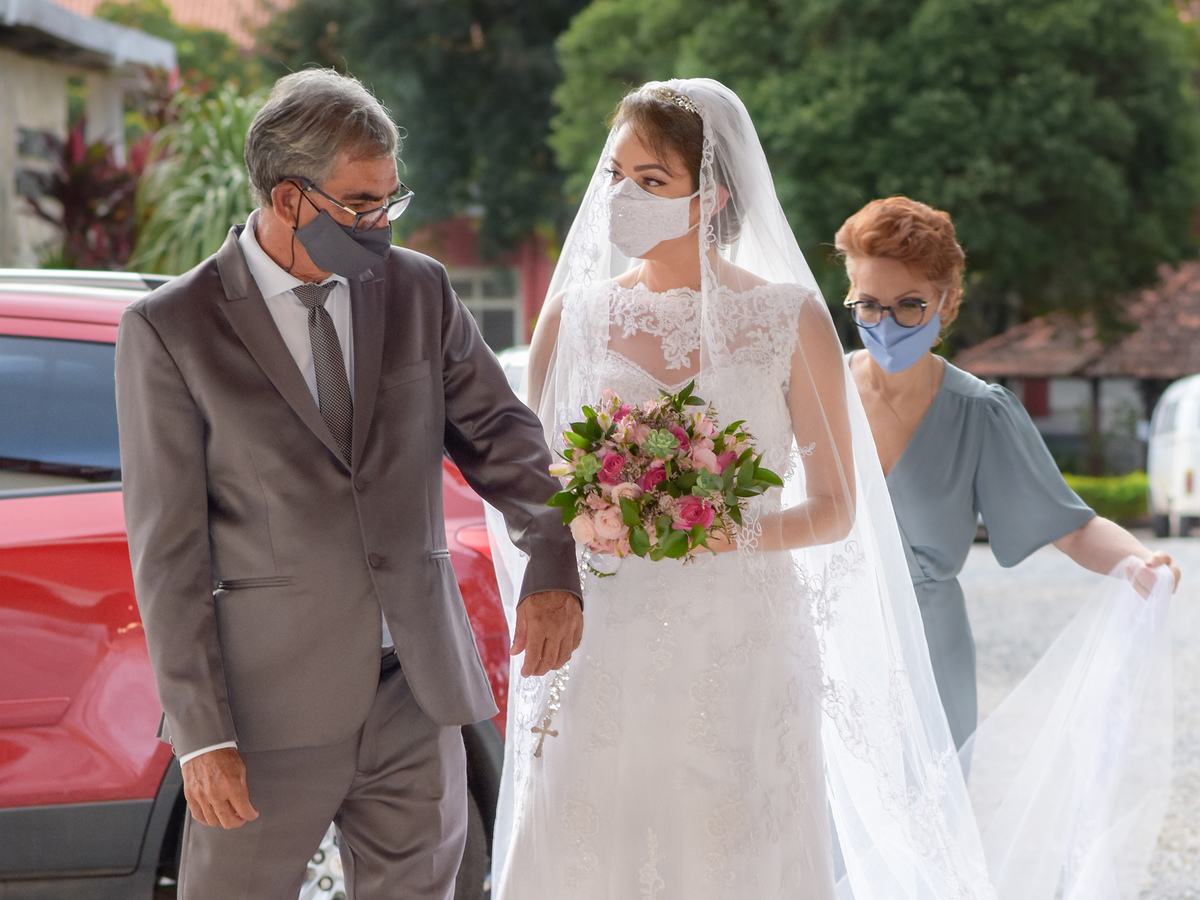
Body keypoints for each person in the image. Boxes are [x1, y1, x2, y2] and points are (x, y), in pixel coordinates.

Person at [488, 77, 1009, 900]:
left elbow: (836, 508)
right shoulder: (573, 318)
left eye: (651, 182)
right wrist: (587, 515)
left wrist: (717, 529)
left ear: (713, 195)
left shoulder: (787, 319)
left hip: (741, 646)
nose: (623, 198)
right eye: (614, 177)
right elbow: (527, 485)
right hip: (604, 640)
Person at [114, 69, 582, 900]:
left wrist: (552, 560)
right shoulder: (170, 329)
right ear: (289, 200)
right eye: (362, 205)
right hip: (265, 712)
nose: (381, 224)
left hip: (418, 692)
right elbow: (168, 550)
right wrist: (199, 736)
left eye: (390, 202)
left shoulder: (419, 289)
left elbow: (505, 437)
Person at [836, 196, 1180, 749]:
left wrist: (1140, 563)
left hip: (931, 654)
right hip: (829, 648)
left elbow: (1070, 525)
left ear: (945, 303)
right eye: (869, 304)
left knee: (929, 825)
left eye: (909, 305)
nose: (887, 322)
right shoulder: (814, 393)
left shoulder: (980, 412)